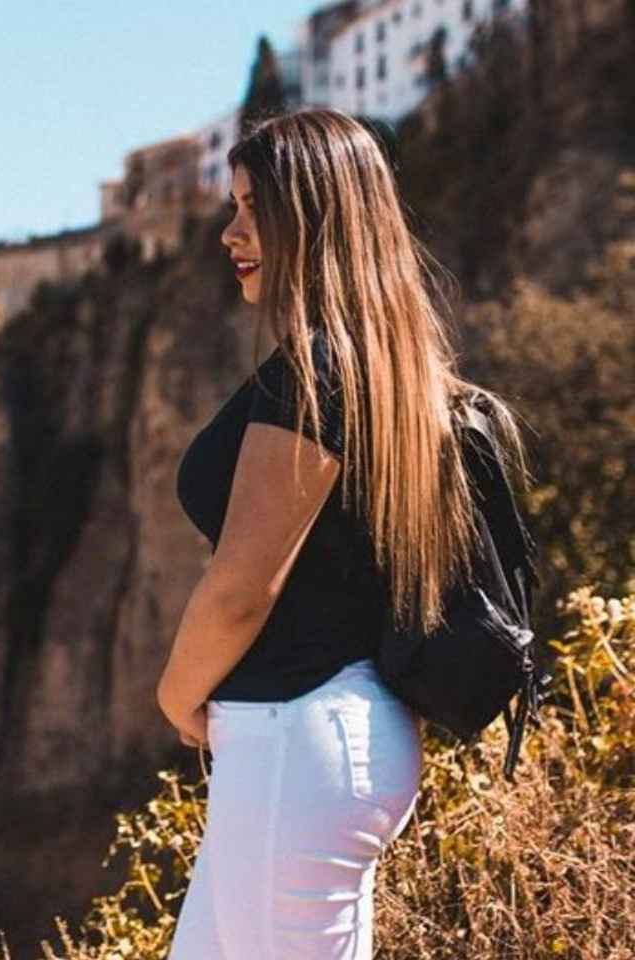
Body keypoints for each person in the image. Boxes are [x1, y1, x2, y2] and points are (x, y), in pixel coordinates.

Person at [156, 108, 526, 958]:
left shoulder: (316, 375)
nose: (230, 234)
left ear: (313, 219)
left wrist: (177, 697)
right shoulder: (381, 367)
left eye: (254, 209)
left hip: (296, 739)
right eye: (234, 208)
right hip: (314, 741)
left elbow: (243, 588)